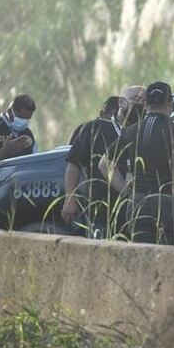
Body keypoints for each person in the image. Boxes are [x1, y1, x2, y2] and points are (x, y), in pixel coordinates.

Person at [99, 81, 174, 246]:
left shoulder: (131, 132)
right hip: (172, 206)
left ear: (145, 104)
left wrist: (127, 193)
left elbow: (104, 164)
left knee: (145, 257)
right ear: (170, 102)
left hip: (138, 206)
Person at [61, 86, 145, 236]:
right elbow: (73, 165)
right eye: (136, 99)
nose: (140, 104)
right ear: (121, 102)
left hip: (137, 211)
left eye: (145, 101)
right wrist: (70, 198)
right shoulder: (93, 128)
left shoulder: (145, 132)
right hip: (101, 211)